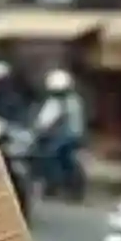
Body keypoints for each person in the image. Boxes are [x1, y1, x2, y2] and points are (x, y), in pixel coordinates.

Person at [33, 69, 86, 198]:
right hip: (66, 135)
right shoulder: (66, 101)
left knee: (50, 154)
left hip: (68, 136)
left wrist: (41, 129)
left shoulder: (67, 102)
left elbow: (49, 120)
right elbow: (44, 119)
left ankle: (54, 184)